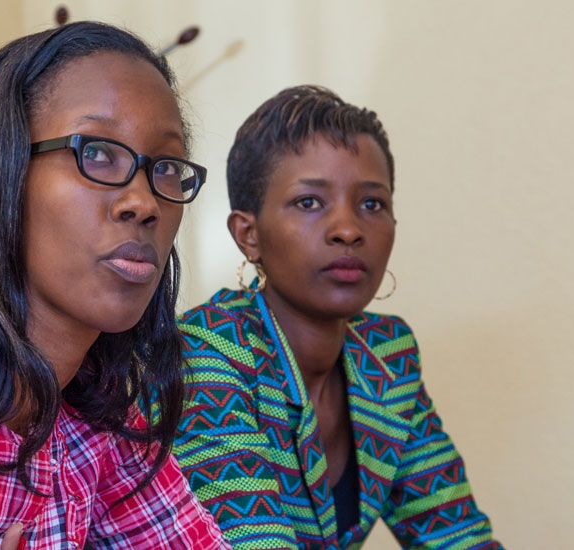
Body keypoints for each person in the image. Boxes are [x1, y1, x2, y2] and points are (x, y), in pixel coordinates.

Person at [0, 21, 229, 549]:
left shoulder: (96, 422)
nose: (145, 202)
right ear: (1, 174)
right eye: (98, 152)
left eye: (167, 167)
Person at [173, 85, 504, 549]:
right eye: (309, 202)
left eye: (372, 204)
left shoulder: (387, 357)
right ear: (248, 234)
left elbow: (456, 534)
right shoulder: (208, 354)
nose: (349, 229)